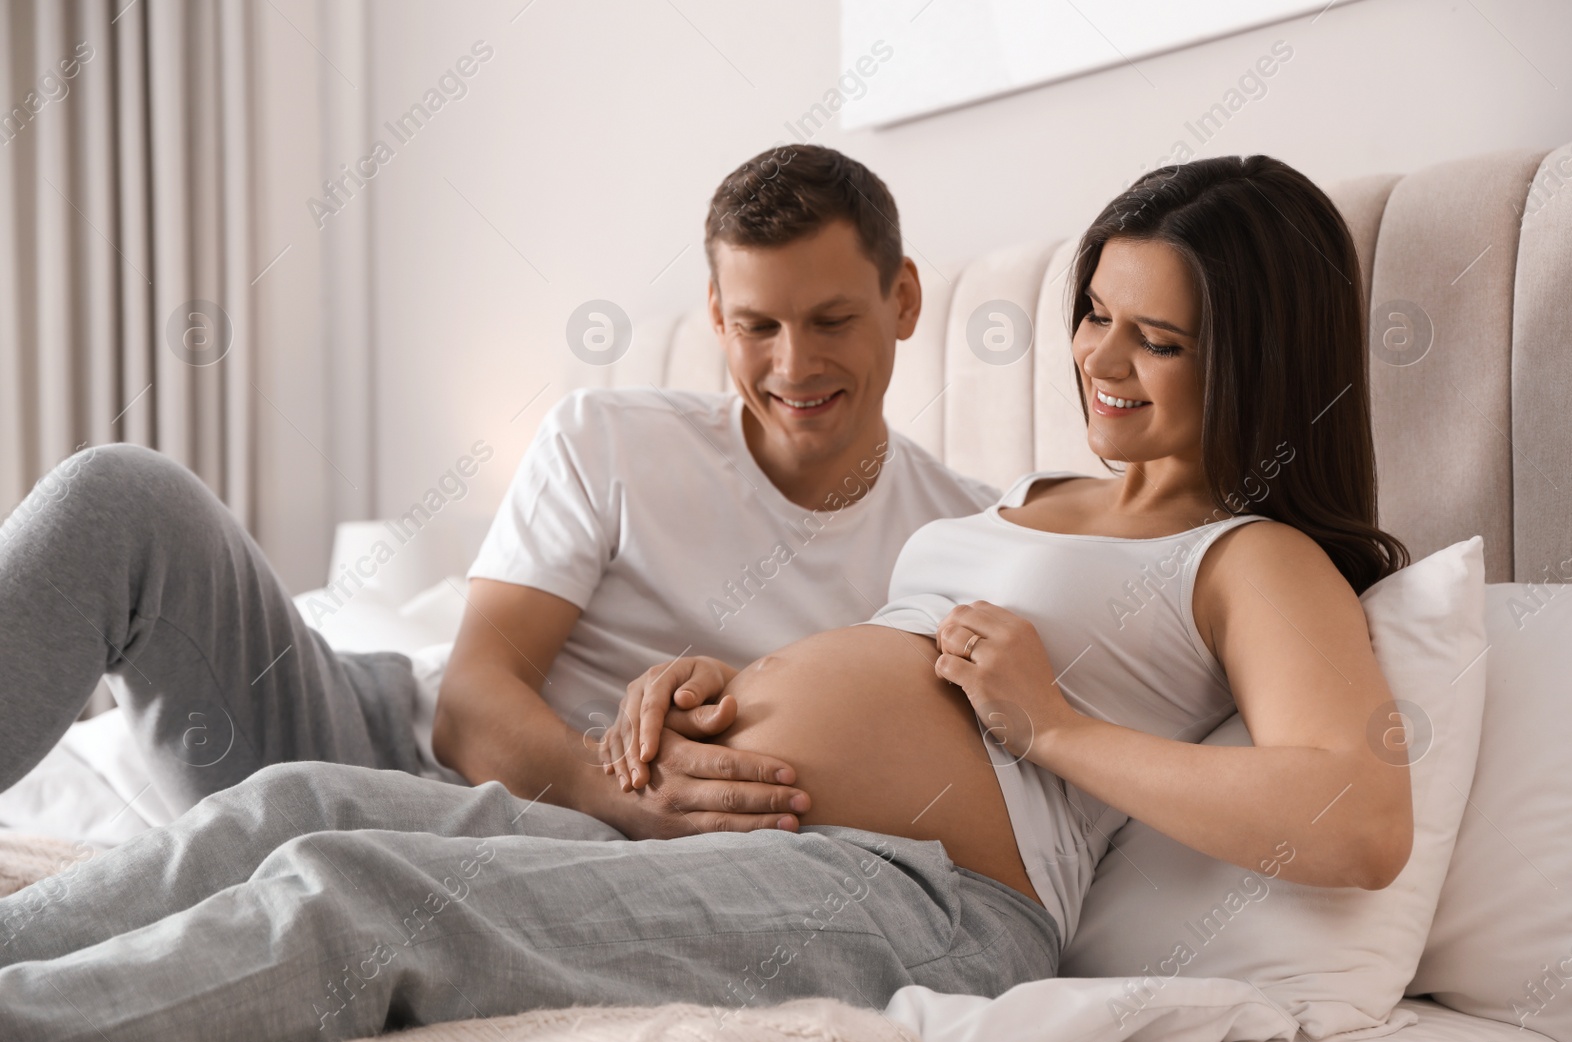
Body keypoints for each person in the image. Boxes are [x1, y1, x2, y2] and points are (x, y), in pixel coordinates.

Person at [0, 155, 1415, 1042]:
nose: (1103, 356)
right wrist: (707, 684)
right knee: (287, 806)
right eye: (1096, 313)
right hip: (789, 843)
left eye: (1154, 337)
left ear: (1259, 351)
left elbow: (1353, 821)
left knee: (353, 898)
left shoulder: (1251, 556)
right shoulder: (1017, 496)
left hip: (927, 898)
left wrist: (1053, 724)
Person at [0, 144, 995, 836]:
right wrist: (621, 794)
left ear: (901, 297)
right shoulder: (607, 436)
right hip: (369, 745)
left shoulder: (966, 539)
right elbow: (471, 705)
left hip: (542, 854)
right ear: (715, 313)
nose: (792, 365)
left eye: (830, 320)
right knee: (118, 497)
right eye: (756, 326)